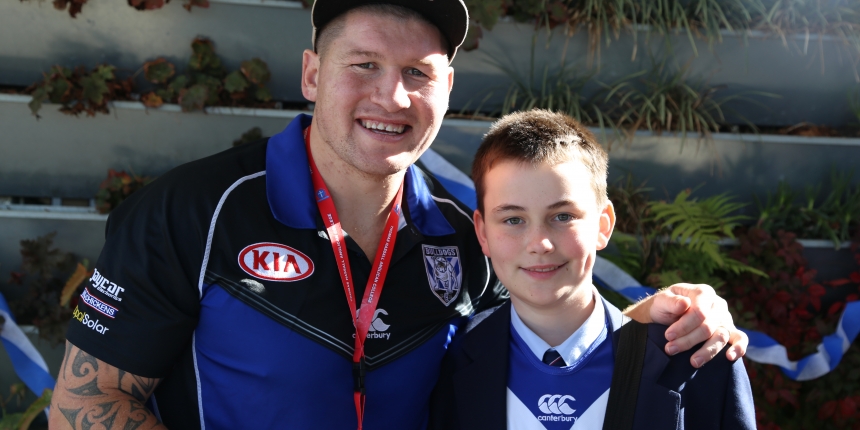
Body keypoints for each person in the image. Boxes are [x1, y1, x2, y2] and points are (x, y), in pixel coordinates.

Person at [49, 1, 749, 429]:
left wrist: (668, 318)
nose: (393, 97)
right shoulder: (195, 210)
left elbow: (548, 328)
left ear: (446, 90)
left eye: (419, 73)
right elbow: (86, 406)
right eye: (364, 65)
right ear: (313, 75)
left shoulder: (468, 231)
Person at [428, 109, 756, 429]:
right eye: (513, 219)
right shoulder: (447, 362)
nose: (539, 243)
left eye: (563, 216)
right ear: (483, 233)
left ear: (603, 225)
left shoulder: (697, 361)